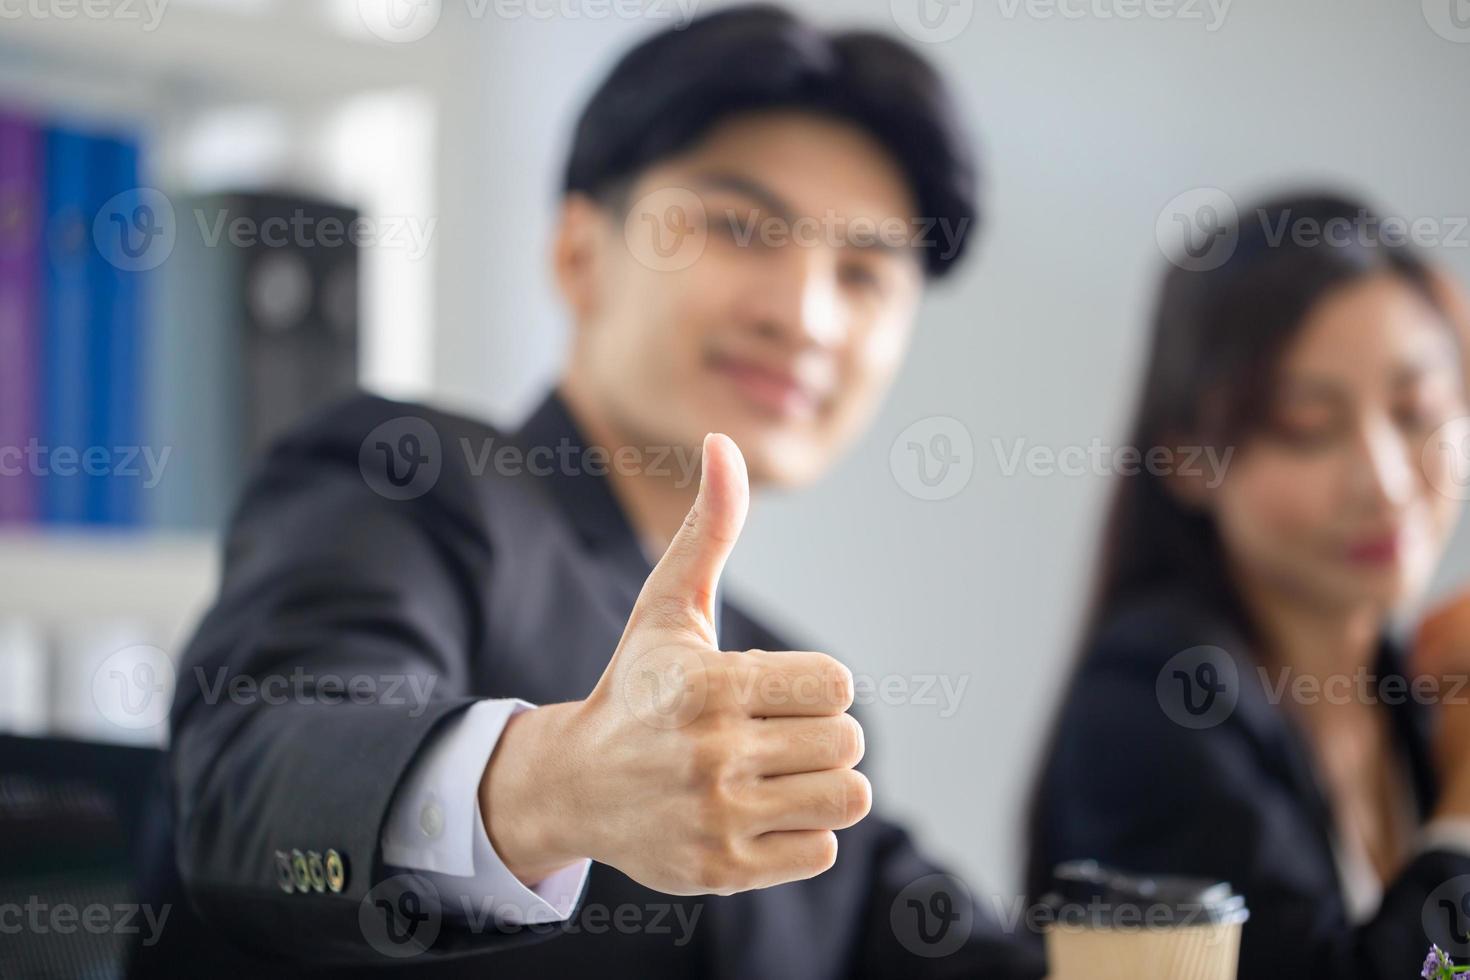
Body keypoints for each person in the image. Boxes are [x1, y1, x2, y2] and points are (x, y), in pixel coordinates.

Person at [134, 6, 1044, 978]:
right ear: (579, 252)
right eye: (741, 226)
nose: (806, 314)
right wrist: (554, 786)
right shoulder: (404, 480)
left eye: (864, 273)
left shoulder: (797, 682)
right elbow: (253, 783)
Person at [1025, 192, 1470, 977]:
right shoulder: (1154, 696)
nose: (1386, 480)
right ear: (1190, 456)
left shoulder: (1416, 689)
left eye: (1417, 408)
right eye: (1307, 425)